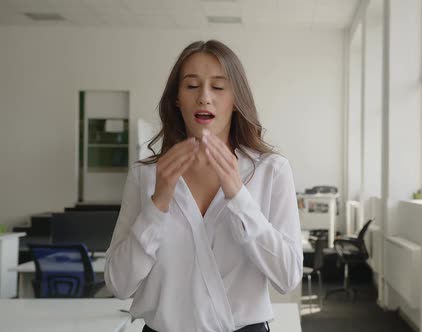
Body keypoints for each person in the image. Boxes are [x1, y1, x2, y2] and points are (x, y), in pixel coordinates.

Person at [104, 40, 303, 332]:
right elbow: (119, 284)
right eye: (192, 86)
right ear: (177, 99)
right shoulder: (145, 176)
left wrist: (239, 197)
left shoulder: (271, 171)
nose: (204, 97)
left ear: (236, 99)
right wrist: (157, 204)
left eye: (219, 87)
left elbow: (287, 277)